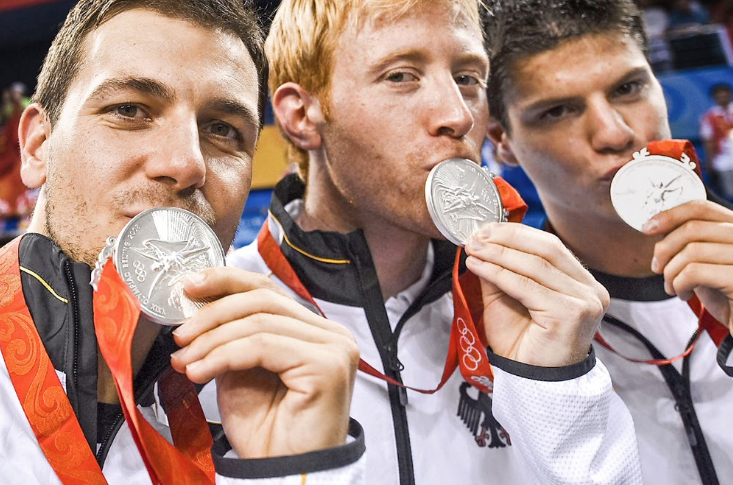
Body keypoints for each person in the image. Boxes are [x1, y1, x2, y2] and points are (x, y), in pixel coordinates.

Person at [229, 0, 643, 483]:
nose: (459, 115)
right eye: (402, 76)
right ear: (301, 116)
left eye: (468, 78)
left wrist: (554, 387)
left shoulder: (543, 313)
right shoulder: (218, 325)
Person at [2, 0, 365, 483]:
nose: (188, 162)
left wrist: (298, 470)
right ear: (37, 146)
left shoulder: (263, 398)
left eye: (222, 130)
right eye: (129, 110)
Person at [484, 0, 733, 483]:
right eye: (557, 111)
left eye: (628, 88)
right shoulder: (503, 335)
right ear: (502, 140)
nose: (615, 134)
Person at [700, 83, 733, 199]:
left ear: (730, 95)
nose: (723, 98)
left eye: (725, 95)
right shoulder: (709, 117)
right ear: (714, 98)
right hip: (723, 160)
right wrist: (710, 161)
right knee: (729, 193)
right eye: (720, 96)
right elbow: (708, 140)